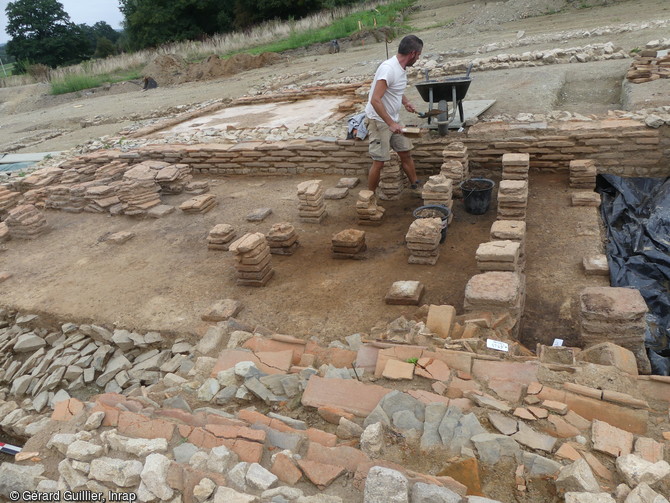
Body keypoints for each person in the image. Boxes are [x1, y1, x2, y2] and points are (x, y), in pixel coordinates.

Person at [364, 34, 423, 192]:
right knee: (380, 161)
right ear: (412, 53)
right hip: (379, 120)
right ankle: (369, 197)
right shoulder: (388, 69)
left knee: (405, 152)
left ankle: (415, 185)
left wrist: (406, 102)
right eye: (418, 55)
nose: (417, 59)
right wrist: (390, 123)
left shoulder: (401, 68)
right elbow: (375, 100)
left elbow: (395, 90)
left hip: (393, 119)